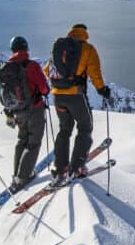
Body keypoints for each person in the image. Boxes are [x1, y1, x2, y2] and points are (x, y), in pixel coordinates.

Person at [44, 23, 111, 186]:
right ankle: (77, 167)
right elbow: (95, 72)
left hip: (57, 96)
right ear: (84, 34)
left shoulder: (60, 48)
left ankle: (60, 168)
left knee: (64, 130)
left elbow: (47, 70)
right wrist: (102, 89)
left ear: (72, 32)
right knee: (85, 127)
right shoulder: (88, 49)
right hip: (75, 95)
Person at [0, 35, 50, 193]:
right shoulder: (31, 66)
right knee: (33, 143)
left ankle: (17, 174)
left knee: (22, 140)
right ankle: (24, 176)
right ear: (26, 48)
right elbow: (44, 88)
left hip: (17, 111)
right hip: (34, 108)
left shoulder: (6, 69)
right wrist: (44, 91)